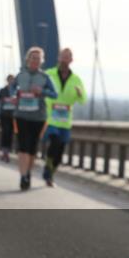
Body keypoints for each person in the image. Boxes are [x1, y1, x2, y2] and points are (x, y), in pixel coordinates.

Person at [10, 47, 57, 190]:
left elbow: (54, 94)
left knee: (32, 149)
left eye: (38, 58)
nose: (35, 61)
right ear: (28, 60)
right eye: (33, 58)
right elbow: (12, 88)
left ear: (42, 61)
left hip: (38, 118)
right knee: (22, 147)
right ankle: (23, 176)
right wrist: (14, 96)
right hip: (21, 116)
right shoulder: (21, 75)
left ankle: (28, 172)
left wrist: (42, 91)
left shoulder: (45, 77)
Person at [42, 47, 86, 187]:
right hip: (51, 118)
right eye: (63, 56)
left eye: (68, 57)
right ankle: (48, 170)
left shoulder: (76, 79)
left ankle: (51, 173)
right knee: (54, 142)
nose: (65, 59)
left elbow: (83, 100)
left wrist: (79, 94)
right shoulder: (48, 74)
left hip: (65, 121)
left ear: (71, 60)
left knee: (60, 153)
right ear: (58, 58)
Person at [0, 74, 16, 163]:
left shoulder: (16, 91)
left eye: (13, 80)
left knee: (10, 133)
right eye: (10, 79)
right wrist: (6, 100)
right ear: (7, 80)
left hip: (13, 115)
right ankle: (4, 152)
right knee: (5, 132)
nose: (11, 81)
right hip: (4, 115)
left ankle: (8, 152)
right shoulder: (2, 90)